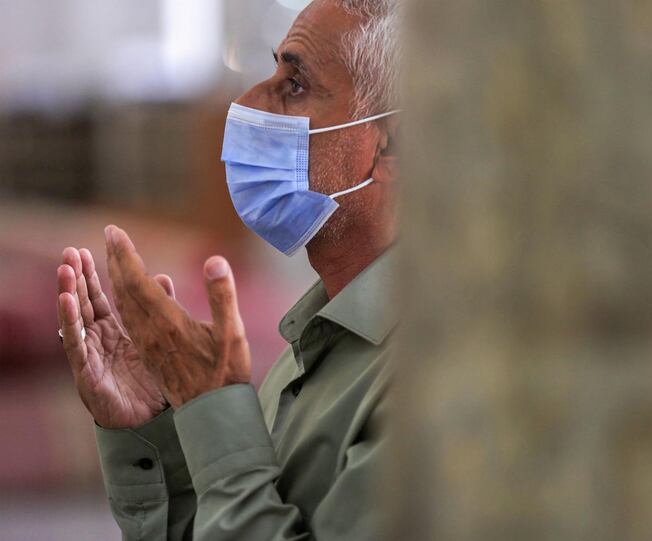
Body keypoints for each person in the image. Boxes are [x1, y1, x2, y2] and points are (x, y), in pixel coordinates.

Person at [55, 1, 400, 538]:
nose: (245, 103)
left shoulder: (444, 375)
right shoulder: (314, 344)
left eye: (296, 84)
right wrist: (155, 430)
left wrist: (212, 404)